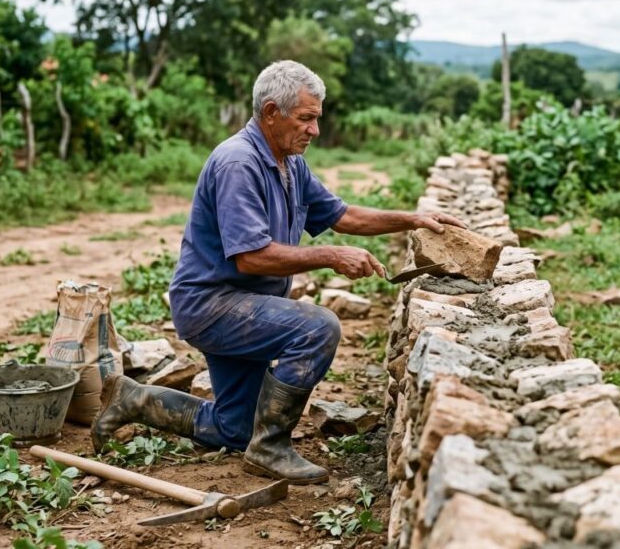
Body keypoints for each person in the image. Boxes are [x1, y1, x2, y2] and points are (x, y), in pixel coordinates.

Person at [90, 60, 464, 485]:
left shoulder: (289, 162)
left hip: (246, 303)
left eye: (317, 119)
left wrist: (414, 219)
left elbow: (343, 216)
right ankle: (270, 447)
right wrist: (330, 256)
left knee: (233, 429)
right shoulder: (238, 163)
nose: (314, 130)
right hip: (213, 305)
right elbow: (250, 258)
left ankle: (134, 399)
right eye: (306, 118)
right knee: (317, 328)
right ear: (271, 113)